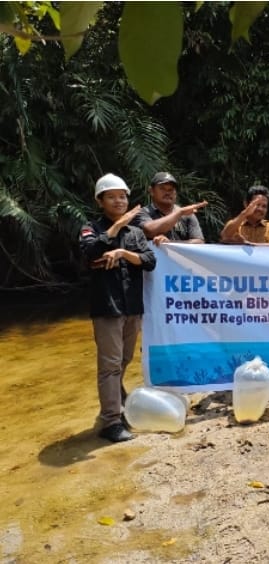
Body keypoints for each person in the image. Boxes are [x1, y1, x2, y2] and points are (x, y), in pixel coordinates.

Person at [79, 173, 156, 443]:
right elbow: (90, 252)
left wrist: (123, 253)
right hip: (107, 307)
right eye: (111, 197)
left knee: (124, 359)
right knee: (110, 365)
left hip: (132, 306)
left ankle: (117, 399)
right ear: (100, 201)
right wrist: (115, 228)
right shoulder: (91, 228)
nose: (119, 201)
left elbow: (149, 261)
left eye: (122, 196)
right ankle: (111, 421)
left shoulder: (135, 233)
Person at [133, 172, 207, 245]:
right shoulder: (142, 213)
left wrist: (170, 244)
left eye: (171, 189)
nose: (167, 193)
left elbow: (199, 242)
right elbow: (149, 231)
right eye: (162, 188)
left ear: (175, 193)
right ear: (151, 191)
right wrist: (179, 213)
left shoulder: (187, 214)